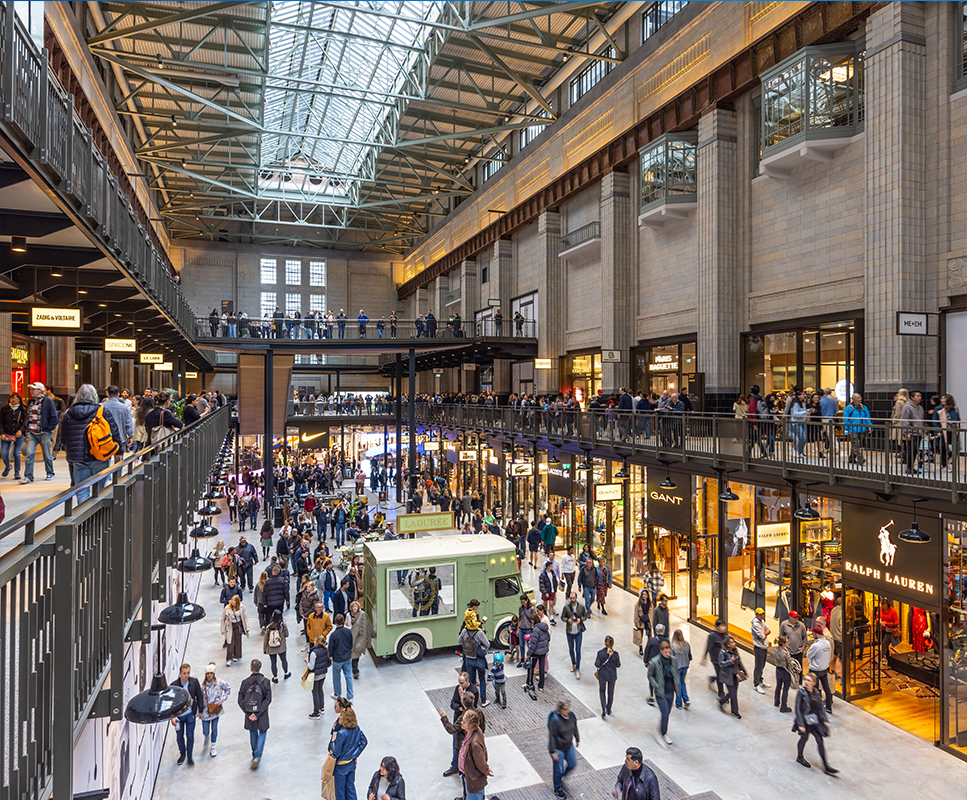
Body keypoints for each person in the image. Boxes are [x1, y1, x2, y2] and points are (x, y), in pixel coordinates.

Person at [61, 385, 124, 501]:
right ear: (94, 396)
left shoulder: (69, 413)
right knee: (99, 489)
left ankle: (85, 517)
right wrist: (119, 452)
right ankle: (97, 515)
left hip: (78, 457)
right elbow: (114, 431)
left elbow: (63, 437)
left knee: (81, 490)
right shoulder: (102, 410)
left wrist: (69, 454)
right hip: (99, 454)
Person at [794, 673, 838, 774]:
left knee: (820, 741)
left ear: (814, 682)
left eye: (809, 680)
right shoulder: (801, 692)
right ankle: (799, 757)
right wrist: (800, 724)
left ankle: (826, 765)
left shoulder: (816, 692)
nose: (806, 682)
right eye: (805, 680)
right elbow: (797, 709)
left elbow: (821, 707)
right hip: (805, 721)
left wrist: (825, 720)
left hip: (814, 720)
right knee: (804, 739)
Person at [20, 382, 58, 484]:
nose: (32, 391)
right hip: (31, 432)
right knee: (29, 454)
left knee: (47, 454)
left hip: (44, 432)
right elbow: (28, 416)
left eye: (34, 389)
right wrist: (26, 428)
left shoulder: (48, 402)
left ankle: (50, 472)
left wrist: (49, 429)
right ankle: (28, 476)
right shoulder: (31, 402)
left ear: (40, 390)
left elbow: (54, 417)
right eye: (31, 389)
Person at [237, 659, 272, 769]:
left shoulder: (245, 682)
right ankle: (257, 756)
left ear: (251, 668)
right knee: (262, 732)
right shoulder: (266, 682)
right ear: (260, 668)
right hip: (262, 714)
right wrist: (258, 712)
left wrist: (248, 713)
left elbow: (240, 700)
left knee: (252, 732)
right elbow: (268, 699)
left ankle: (254, 755)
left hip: (249, 713)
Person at [444, 673, 480, 777]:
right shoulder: (458, 688)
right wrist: (459, 708)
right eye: (459, 682)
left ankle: (465, 768)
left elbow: (471, 709)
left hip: (468, 725)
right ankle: (454, 766)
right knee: (456, 745)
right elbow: (452, 703)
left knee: (467, 748)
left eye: (462, 682)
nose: (460, 684)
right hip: (458, 721)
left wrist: (461, 697)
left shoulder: (473, 691)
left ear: (467, 682)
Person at [329, 704, 368, 800]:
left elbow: (337, 753)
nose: (339, 717)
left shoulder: (341, 734)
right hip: (351, 764)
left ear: (345, 718)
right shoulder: (356, 728)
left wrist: (333, 743)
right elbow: (364, 741)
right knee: (351, 789)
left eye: (341, 715)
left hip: (341, 767)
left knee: (340, 792)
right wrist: (355, 754)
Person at [170, 663, 205, 765]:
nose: (186, 675)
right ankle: (182, 754)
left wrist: (201, 710)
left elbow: (199, 695)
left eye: (188, 673)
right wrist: (172, 717)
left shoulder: (194, 682)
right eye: (184, 673)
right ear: (180, 673)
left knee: (190, 736)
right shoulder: (174, 686)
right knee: (179, 736)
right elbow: (171, 703)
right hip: (179, 716)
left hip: (190, 714)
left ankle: (189, 756)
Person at [647, 640, 679, 745]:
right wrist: (655, 685)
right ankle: (663, 733)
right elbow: (650, 675)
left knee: (667, 713)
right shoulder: (654, 662)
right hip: (661, 692)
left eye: (669, 652)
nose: (668, 654)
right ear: (661, 651)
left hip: (670, 691)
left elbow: (675, 673)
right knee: (664, 713)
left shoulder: (673, 660)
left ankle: (662, 727)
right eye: (666, 652)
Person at [548, 700, 580, 799]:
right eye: (565, 710)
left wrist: (577, 739)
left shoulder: (571, 716)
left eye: (568, 709)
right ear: (560, 710)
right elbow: (552, 736)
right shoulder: (555, 720)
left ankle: (561, 777)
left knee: (572, 764)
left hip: (568, 746)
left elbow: (574, 727)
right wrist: (553, 751)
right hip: (558, 748)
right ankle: (557, 788)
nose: (568, 711)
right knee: (558, 769)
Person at [457, 709, 491, 800]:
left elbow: (480, 762)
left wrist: (486, 770)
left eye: (464, 722)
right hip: (467, 775)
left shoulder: (475, 744)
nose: (461, 723)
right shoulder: (471, 732)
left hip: (473, 780)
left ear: (470, 725)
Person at [199, 663, 230, 758]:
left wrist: (222, 700)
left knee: (215, 729)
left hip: (216, 711)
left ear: (214, 674)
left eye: (211, 673)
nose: (209, 675)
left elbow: (228, 688)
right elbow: (197, 698)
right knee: (205, 730)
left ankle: (213, 746)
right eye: (208, 673)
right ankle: (207, 737)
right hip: (205, 712)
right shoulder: (202, 686)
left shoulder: (219, 683)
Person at [805, 626, 834, 713]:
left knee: (815, 690)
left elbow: (808, 655)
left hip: (815, 670)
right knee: (826, 688)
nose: (812, 634)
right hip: (824, 669)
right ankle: (829, 708)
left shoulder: (816, 645)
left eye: (813, 633)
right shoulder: (827, 643)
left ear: (817, 634)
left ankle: (816, 709)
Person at [559, 591, 587, 679]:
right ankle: (573, 664)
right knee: (571, 649)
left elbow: (585, 616)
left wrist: (580, 619)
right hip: (569, 631)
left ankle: (577, 668)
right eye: (571, 598)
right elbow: (562, 617)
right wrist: (568, 620)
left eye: (573, 598)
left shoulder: (581, 607)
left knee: (578, 650)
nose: (572, 600)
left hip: (578, 631)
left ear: (576, 598)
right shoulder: (566, 607)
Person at [524, 604, 551, 696]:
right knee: (542, 668)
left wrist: (528, 654)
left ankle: (529, 683)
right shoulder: (544, 627)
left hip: (536, 652)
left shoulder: (535, 630)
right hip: (543, 651)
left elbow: (533, 644)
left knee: (531, 668)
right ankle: (541, 686)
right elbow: (548, 638)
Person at [717, 637, 745, 719]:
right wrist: (730, 661)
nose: (734, 644)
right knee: (733, 694)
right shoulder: (723, 652)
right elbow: (721, 663)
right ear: (728, 644)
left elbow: (739, 661)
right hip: (727, 675)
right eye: (732, 642)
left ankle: (722, 700)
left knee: (733, 692)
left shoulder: (735, 651)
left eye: (734, 642)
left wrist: (743, 670)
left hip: (734, 674)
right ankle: (735, 712)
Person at [1, 392, 27, 479]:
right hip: (6, 434)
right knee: (4, 453)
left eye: (16, 398)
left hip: (18, 434)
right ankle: (8, 466)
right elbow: (0, 422)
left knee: (16, 453)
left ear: (19, 399)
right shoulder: (4, 410)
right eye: (12, 398)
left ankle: (17, 472)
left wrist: (21, 430)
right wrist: (1, 433)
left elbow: (25, 422)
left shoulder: (23, 410)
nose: (13, 400)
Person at [329, 613, 354, 701]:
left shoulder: (333, 635)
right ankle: (350, 696)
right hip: (347, 658)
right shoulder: (348, 631)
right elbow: (351, 643)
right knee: (348, 677)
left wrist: (331, 657)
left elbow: (331, 648)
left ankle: (337, 694)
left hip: (337, 660)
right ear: (343, 621)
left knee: (336, 677)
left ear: (335, 622)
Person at [101, 385, 133, 454]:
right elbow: (129, 424)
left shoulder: (101, 407)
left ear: (107, 394)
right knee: (119, 461)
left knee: (106, 460)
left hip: (105, 438)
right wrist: (130, 436)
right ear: (118, 394)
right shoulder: (125, 408)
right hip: (120, 437)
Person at [594, 636, 621, 718]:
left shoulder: (600, 653)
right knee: (610, 692)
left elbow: (597, 664)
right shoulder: (615, 654)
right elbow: (618, 665)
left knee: (602, 691)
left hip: (602, 675)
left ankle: (603, 708)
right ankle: (609, 709)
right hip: (612, 675)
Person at [262, 609, 290, 683]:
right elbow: (287, 634)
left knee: (273, 662)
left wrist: (264, 649)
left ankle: (275, 677)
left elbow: (265, 639)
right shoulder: (282, 625)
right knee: (283, 659)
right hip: (281, 646)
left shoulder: (268, 627)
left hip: (271, 647)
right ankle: (286, 673)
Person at [642, 624, 668, 706]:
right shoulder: (666, 641)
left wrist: (646, 661)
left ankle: (652, 696)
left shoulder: (652, 640)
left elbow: (647, 651)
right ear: (663, 631)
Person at [221, 594, 249, 666]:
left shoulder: (241, 607)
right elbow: (223, 619)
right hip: (229, 626)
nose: (232, 601)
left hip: (238, 625)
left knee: (237, 641)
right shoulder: (227, 608)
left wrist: (247, 627)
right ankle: (229, 658)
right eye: (232, 600)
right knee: (230, 642)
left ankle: (236, 655)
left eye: (234, 600)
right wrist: (222, 629)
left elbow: (245, 617)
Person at [779, 610, 808, 680]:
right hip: (788, 651)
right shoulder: (784, 624)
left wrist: (803, 648)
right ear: (790, 617)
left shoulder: (801, 625)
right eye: (794, 617)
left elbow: (805, 638)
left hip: (798, 651)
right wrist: (783, 649)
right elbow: (781, 637)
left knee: (799, 668)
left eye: (797, 617)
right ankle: (787, 681)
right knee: (787, 667)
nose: (796, 619)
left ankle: (799, 681)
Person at [773, 634, 797, 713]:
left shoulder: (775, 650)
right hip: (785, 671)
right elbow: (789, 664)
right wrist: (792, 666)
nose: (788, 642)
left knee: (778, 686)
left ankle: (776, 701)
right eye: (786, 641)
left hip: (778, 670)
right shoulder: (785, 653)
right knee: (785, 689)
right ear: (783, 643)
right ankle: (783, 706)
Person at [349, 600, 373, 680]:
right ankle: (355, 670)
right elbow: (347, 624)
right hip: (350, 638)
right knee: (353, 655)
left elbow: (366, 626)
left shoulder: (362, 615)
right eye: (353, 606)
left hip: (359, 638)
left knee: (355, 654)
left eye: (356, 606)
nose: (354, 608)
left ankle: (355, 671)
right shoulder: (348, 615)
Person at [751, 607, 771, 693]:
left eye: (763, 614)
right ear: (756, 615)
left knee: (762, 665)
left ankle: (760, 680)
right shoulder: (755, 624)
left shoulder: (762, 621)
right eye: (760, 614)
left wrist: (764, 633)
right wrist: (764, 633)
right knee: (758, 666)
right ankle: (756, 684)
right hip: (759, 648)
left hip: (764, 646)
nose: (762, 616)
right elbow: (762, 636)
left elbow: (769, 630)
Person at [671, 629, 691, 709]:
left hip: (677, 667)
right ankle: (686, 699)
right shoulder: (687, 645)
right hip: (685, 666)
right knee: (682, 682)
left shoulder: (673, 647)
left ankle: (679, 703)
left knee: (677, 684)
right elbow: (690, 655)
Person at [516, 594, 535, 666]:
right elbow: (519, 618)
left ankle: (528, 659)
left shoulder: (532, 609)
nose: (523, 604)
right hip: (521, 628)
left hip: (528, 629)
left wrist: (532, 629)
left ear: (527, 600)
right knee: (521, 645)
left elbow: (534, 619)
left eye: (524, 602)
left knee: (529, 645)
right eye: (522, 602)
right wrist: (518, 629)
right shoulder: (521, 608)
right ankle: (522, 659)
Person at [539, 560, 559, 626]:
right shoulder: (543, 575)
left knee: (551, 605)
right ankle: (545, 617)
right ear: (548, 567)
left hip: (552, 591)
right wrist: (545, 592)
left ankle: (551, 618)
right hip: (546, 592)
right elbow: (541, 585)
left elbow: (555, 581)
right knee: (545, 605)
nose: (552, 567)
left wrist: (555, 588)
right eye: (551, 566)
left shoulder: (553, 573)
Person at [633, 589, 652, 657]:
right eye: (643, 594)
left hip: (648, 621)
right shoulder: (638, 603)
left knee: (649, 635)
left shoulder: (650, 603)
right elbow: (636, 613)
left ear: (647, 596)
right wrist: (635, 621)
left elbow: (651, 612)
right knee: (639, 635)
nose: (644, 596)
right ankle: (640, 647)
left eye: (645, 594)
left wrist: (651, 621)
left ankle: (649, 648)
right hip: (640, 621)